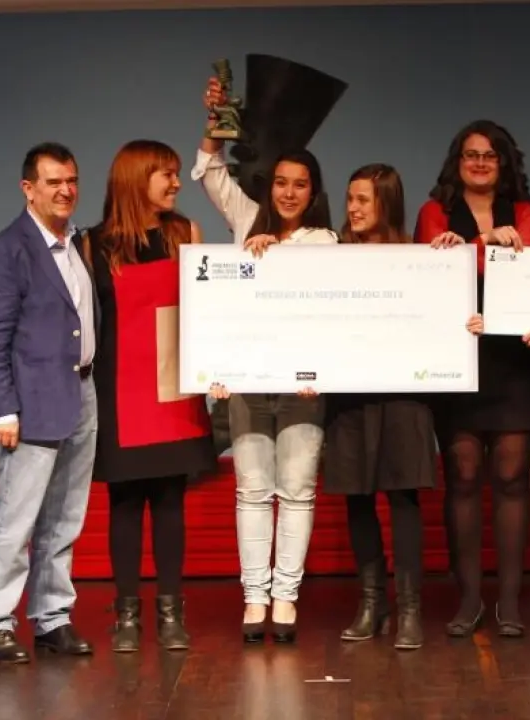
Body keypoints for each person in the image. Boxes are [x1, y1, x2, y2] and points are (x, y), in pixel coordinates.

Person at [193, 75, 339, 644]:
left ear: (313, 191)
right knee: (252, 489)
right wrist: (215, 124)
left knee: (297, 490)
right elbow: (210, 170)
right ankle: (254, 597)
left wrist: (272, 252)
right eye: (280, 182)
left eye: (300, 185)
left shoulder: (327, 242)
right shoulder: (246, 219)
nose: (288, 193)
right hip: (249, 383)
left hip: (303, 386)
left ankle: (286, 598)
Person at [323, 163, 484, 651]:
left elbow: (444, 316)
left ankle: (410, 608)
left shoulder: (422, 259)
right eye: (350, 199)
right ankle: (372, 603)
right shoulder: (330, 257)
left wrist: (466, 317)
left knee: (403, 497)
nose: (353, 208)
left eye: (363, 200)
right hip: (349, 393)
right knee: (358, 497)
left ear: (386, 203)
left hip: (405, 393)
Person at [80, 139, 219, 652]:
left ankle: (170, 611)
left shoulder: (186, 233)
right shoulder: (92, 245)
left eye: (178, 172)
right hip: (119, 392)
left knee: (168, 503)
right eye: (166, 173)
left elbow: (207, 311)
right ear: (135, 179)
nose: (177, 183)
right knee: (124, 504)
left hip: (173, 390)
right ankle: (126, 616)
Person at [413, 119, 530, 638]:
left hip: (514, 359)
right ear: (457, 161)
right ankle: (468, 599)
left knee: (512, 478)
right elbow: (433, 270)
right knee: (463, 477)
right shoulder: (434, 211)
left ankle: (509, 602)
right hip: (457, 358)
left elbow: (527, 271)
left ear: (504, 163)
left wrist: (469, 250)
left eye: (490, 155)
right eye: (471, 154)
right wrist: (488, 241)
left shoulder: (525, 211)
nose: (480, 163)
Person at [0, 141, 99, 664]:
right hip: (30, 404)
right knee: (15, 518)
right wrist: (3, 408)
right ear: (29, 188)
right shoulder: (9, 251)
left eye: (71, 180)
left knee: (64, 519)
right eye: (53, 182)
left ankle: (52, 618)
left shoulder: (75, 244)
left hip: (81, 393)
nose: (66, 190)